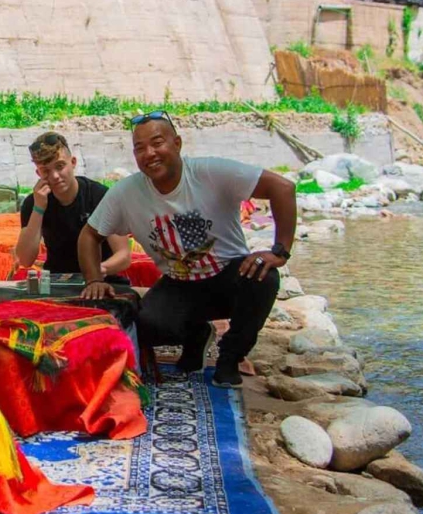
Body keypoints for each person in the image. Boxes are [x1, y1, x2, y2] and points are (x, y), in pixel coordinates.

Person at [78, 110, 297, 388]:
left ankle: (230, 357)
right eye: (140, 148)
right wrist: (93, 280)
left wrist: (279, 252)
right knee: (146, 325)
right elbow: (89, 235)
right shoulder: (126, 192)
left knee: (264, 277)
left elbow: (283, 188)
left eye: (157, 143)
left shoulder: (211, 172)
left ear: (177, 143)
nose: (149, 153)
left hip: (230, 275)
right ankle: (196, 335)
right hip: (179, 282)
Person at [14, 131, 132, 283]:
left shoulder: (99, 195)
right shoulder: (34, 202)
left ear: (73, 162)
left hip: (102, 279)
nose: (55, 176)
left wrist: (96, 271)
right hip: (58, 282)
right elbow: (25, 259)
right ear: (38, 173)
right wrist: (38, 209)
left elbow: (123, 255)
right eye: (46, 171)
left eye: (60, 166)